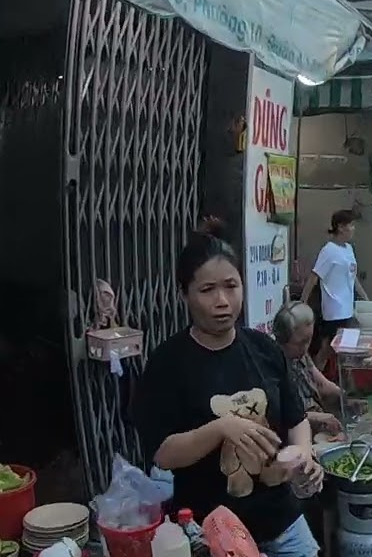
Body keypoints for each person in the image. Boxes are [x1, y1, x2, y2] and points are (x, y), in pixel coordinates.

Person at [134, 219, 322, 557]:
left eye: (231, 286)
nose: (222, 301)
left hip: (282, 522)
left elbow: (296, 420)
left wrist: (304, 455)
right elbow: (162, 453)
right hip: (212, 533)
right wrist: (221, 428)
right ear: (183, 294)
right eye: (207, 290)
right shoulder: (168, 363)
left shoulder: (264, 348)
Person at [300, 210, 368, 370]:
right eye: (350, 225)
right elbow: (314, 277)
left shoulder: (349, 249)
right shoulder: (329, 250)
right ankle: (314, 382)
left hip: (348, 309)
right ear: (341, 227)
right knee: (328, 349)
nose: (353, 229)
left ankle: (341, 384)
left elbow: (353, 278)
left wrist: (365, 298)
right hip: (334, 311)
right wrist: (302, 302)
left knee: (346, 351)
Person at [272, 302, 343, 438]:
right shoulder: (272, 366)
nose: (305, 348)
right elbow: (280, 414)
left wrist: (346, 397)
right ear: (282, 339)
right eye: (301, 342)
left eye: (308, 340)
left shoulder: (301, 356)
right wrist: (317, 417)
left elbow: (322, 384)